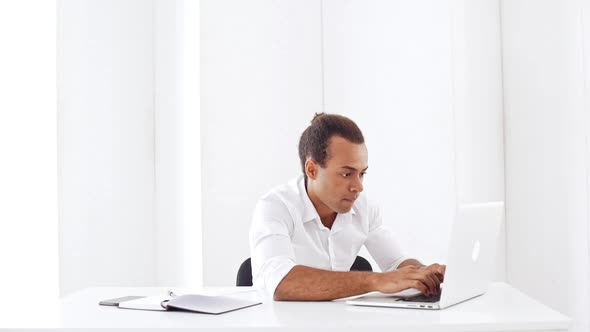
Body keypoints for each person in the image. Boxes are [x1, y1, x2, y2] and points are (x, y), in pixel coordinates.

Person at [249, 113, 445, 301]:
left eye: (362, 174)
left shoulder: (363, 207)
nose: (358, 186)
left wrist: (425, 273)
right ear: (312, 170)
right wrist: (376, 281)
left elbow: (395, 264)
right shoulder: (275, 207)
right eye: (346, 174)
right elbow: (279, 282)